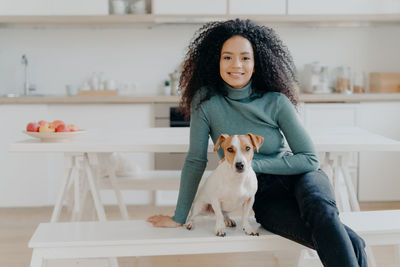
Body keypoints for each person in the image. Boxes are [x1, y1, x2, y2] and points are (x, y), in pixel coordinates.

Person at [147, 19, 367, 267]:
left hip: (301, 176)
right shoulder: (206, 102)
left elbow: (309, 159)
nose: (236, 65)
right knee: (353, 243)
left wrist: (252, 164)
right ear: (215, 61)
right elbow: (196, 160)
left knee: (322, 214)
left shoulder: (276, 101)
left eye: (245, 57)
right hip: (261, 194)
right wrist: (179, 216)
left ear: (256, 63)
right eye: (227, 57)